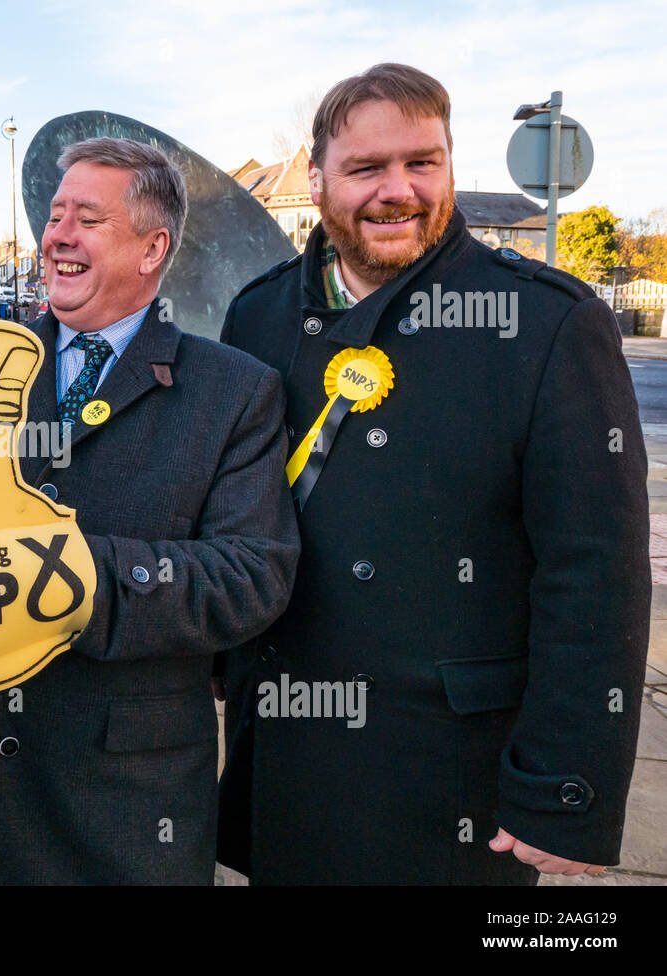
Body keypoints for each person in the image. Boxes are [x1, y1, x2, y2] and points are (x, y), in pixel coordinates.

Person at [218, 63, 649, 884]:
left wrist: (567, 792)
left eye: (423, 162)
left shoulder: (550, 323)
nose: (399, 191)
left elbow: (596, 577)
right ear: (315, 180)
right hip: (289, 757)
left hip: (451, 779)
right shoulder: (258, 313)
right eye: (366, 168)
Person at [0, 137, 300, 884]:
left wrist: (61, 573)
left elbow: (252, 576)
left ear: (153, 248)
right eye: (55, 215)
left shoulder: (235, 391)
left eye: (85, 218)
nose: (55, 234)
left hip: (124, 810)